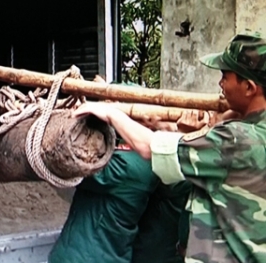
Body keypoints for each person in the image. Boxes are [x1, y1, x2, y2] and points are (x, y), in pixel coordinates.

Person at [72, 30, 266, 262]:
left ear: (249, 88)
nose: (220, 83)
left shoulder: (233, 140)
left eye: (226, 75)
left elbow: (149, 146)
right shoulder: (242, 133)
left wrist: (112, 114)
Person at [48, 110, 204, 263]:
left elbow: (65, 164)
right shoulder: (162, 163)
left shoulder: (133, 166)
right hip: (117, 253)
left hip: (86, 256)